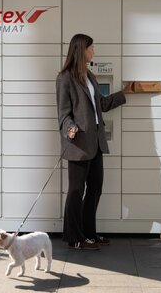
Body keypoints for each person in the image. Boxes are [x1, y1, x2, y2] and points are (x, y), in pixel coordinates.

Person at [55, 33, 133, 250]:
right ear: (81, 50)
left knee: (95, 188)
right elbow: (63, 113)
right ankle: (74, 238)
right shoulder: (64, 78)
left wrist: (123, 93)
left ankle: (89, 233)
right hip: (78, 142)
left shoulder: (89, 76)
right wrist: (70, 127)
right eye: (91, 48)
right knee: (76, 191)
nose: (93, 51)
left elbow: (102, 105)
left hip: (96, 142)